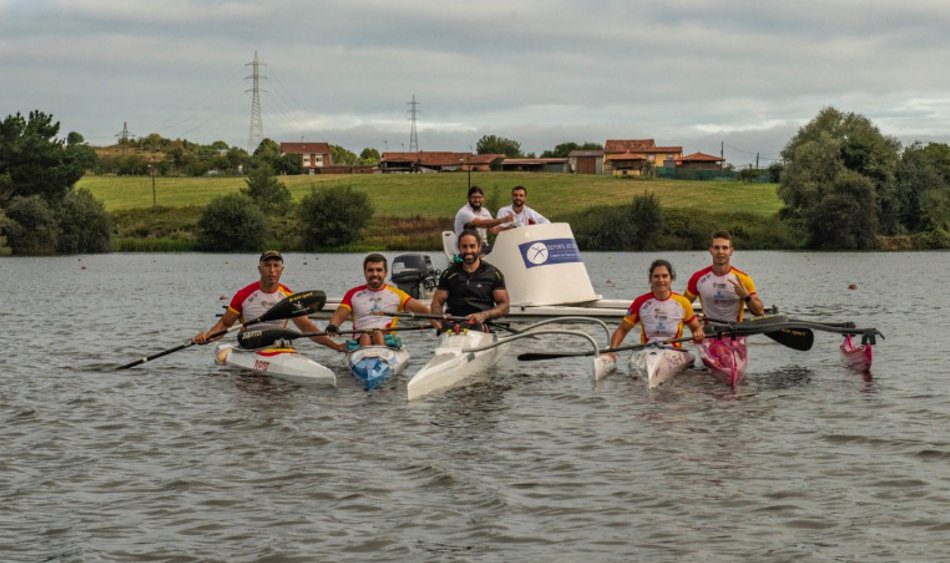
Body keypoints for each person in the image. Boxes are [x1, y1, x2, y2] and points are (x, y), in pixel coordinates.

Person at [192, 250, 344, 352]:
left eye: (276, 265)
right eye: (267, 265)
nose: (272, 270)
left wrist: (336, 346)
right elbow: (225, 324)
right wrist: (206, 337)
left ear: (281, 269)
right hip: (250, 346)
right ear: (259, 269)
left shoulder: (289, 297)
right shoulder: (243, 295)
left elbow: (307, 328)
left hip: (279, 346)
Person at [324, 253, 430, 348]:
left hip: (386, 340)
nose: (375, 274)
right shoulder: (353, 294)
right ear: (365, 272)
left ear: (385, 273)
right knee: (365, 336)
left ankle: (379, 356)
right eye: (370, 270)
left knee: (377, 334)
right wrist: (333, 325)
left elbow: (425, 311)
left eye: (379, 270)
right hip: (361, 340)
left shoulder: (397, 294)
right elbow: (338, 315)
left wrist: (442, 322)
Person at [607, 259, 704, 359]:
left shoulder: (683, 303)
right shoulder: (640, 302)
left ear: (671, 279)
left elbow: (696, 327)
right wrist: (612, 350)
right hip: (647, 351)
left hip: (673, 352)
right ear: (651, 279)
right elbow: (622, 330)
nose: (661, 280)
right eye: (656, 276)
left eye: (664, 276)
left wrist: (698, 334)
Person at [430, 229, 510, 332]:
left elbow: (505, 306)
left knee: (475, 326)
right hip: (454, 325)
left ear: (479, 247)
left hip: (480, 325)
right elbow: (436, 303)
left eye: (472, 246)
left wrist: (484, 315)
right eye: (464, 247)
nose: (468, 251)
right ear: (459, 248)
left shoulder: (494, 274)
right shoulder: (448, 274)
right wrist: (441, 316)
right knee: (446, 326)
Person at [683, 230, 765, 322]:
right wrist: (693, 320)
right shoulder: (697, 278)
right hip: (709, 333)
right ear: (711, 250)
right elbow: (681, 308)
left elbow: (760, 312)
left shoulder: (743, 279)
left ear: (731, 251)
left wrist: (746, 296)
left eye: (725, 248)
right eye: (716, 248)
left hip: (735, 333)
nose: (720, 252)